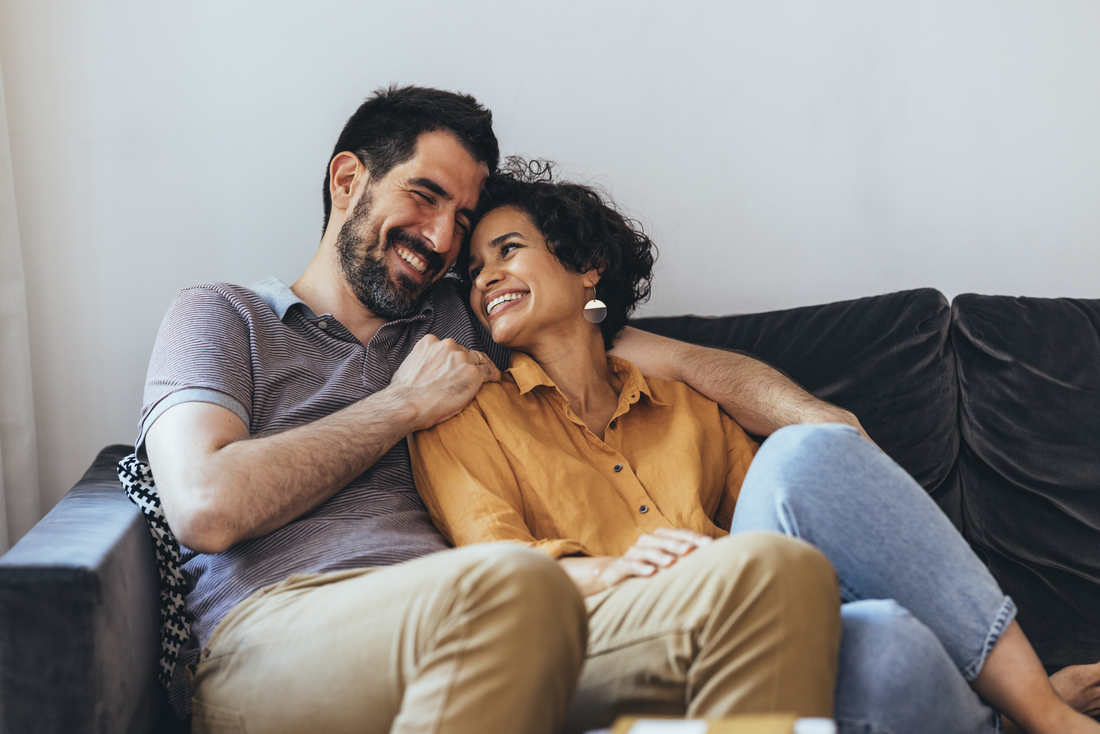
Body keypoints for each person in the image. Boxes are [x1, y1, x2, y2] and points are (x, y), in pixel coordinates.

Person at [139, 86, 861, 733]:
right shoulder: (221, 316)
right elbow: (207, 504)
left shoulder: (466, 312)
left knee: (774, 573)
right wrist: (401, 406)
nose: (443, 240)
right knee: (515, 586)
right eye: (425, 197)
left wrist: (819, 427)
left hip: (502, 628)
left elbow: (678, 362)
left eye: (462, 218)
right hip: (280, 637)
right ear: (349, 179)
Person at [407, 159, 1100, 734]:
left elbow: (795, 516)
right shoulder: (467, 415)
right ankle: (1042, 714)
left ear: (587, 266)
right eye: (473, 270)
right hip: (618, 640)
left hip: (754, 613)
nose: (486, 277)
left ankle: (1013, 715)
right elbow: (495, 568)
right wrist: (618, 571)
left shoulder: (683, 407)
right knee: (807, 457)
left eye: (507, 250)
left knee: (888, 640)